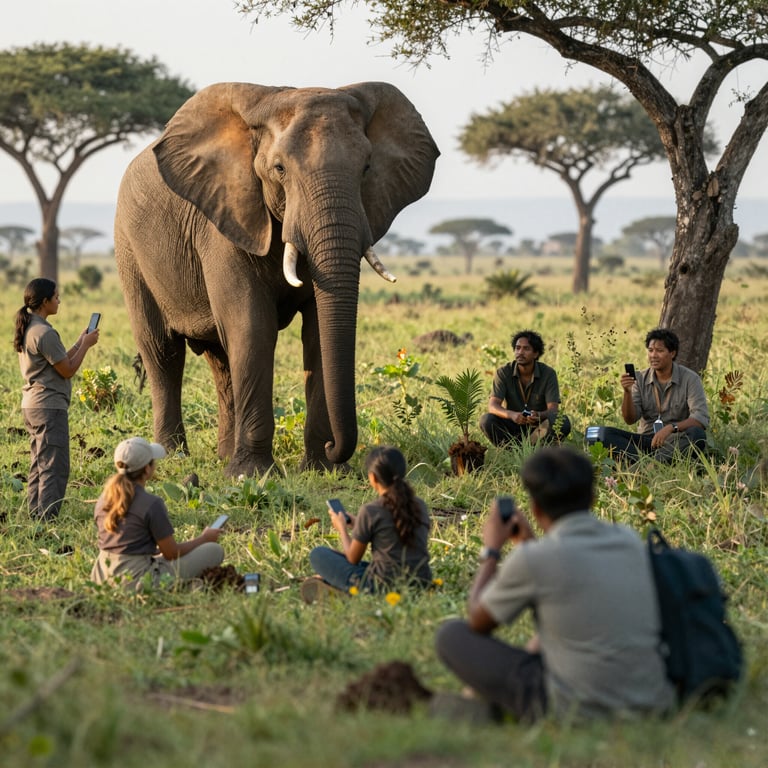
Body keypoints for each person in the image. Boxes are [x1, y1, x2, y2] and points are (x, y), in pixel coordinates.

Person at [434, 447, 675, 722]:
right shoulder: (628, 540)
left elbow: (479, 621)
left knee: (451, 635)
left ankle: (489, 711)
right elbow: (570, 589)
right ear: (593, 497)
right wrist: (528, 545)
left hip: (578, 707)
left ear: (535, 508)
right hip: (651, 700)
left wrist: (490, 551)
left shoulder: (534, 559)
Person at [13, 278, 100, 520]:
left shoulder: (30, 327)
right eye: (56, 297)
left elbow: (59, 360)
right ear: (45, 302)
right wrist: (87, 346)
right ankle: (47, 519)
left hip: (32, 406)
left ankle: (36, 514)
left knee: (39, 464)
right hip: (49, 407)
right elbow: (68, 370)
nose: (59, 300)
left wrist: (79, 342)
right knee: (54, 466)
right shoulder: (45, 332)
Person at [90, 437, 224, 590]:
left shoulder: (102, 500)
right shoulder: (151, 503)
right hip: (137, 581)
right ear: (147, 469)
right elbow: (171, 553)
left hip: (102, 578)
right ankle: (181, 587)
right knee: (214, 550)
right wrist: (204, 538)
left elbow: (124, 543)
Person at [302, 446, 432, 602]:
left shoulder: (371, 510)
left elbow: (352, 559)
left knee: (319, 554)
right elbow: (392, 534)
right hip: (421, 582)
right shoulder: (420, 506)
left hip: (381, 587)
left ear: (373, 478)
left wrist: (342, 528)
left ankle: (345, 592)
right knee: (368, 566)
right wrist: (360, 526)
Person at [592, 328, 708, 463]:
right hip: (646, 441)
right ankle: (653, 464)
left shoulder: (690, 379)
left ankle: (646, 465)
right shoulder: (640, 378)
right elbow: (630, 419)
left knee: (697, 435)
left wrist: (671, 428)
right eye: (650, 350)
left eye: (660, 351)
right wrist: (627, 392)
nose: (653, 355)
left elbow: (700, 419)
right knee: (601, 434)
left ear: (672, 353)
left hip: (675, 442)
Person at [479, 329, 571, 447]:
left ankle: (536, 449)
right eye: (517, 348)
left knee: (562, 421)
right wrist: (511, 415)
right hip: (512, 427)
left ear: (536, 353)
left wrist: (538, 415)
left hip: (538, 428)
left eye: (526, 349)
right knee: (486, 420)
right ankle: (510, 451)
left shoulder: (548, 374)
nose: (520, 352)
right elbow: (493, 406)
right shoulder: (503, 372)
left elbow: (553, 410)